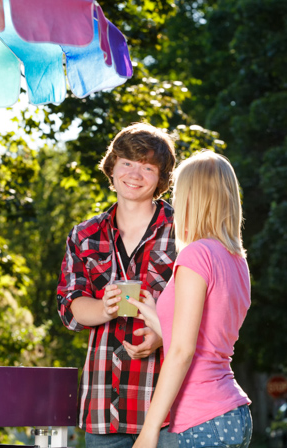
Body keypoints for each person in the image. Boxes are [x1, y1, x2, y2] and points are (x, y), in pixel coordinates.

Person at [57, 122, 178, 448]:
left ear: (161, 179)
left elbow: (204, 305)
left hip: (169, 407)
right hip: (103, 406)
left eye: (147, 167)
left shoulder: (183, 231)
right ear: (111, 168)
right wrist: (103, 307)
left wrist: (163, 334)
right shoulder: (85, 234)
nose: (134, 174)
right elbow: (70, 305)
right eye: (127, 163)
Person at [128, 151, 252, 448]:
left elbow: (183, 352)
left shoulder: (196, 255)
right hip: (232, 413)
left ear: (192, 198)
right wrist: (156, 315)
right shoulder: (236, 260)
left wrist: (149, 431)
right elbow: (207, 337)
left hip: (202, 419)